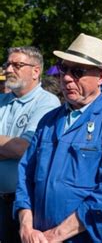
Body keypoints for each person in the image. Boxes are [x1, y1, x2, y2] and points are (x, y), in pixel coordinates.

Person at [14, 33, 102, 242]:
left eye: (78, 71)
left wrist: (54, 236)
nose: (67, 77)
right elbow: (25, 174)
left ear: (101, 77)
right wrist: (26, 225)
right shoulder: (48, 121)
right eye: (64, 68)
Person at [0, 47, 60, 242]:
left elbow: (23, 147)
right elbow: (14, 147)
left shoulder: (47, 103)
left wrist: (14, 147)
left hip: (22, 207)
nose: (8, 69)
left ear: (36, 71)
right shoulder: (2, 101)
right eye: (7, 64)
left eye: (17, 65)